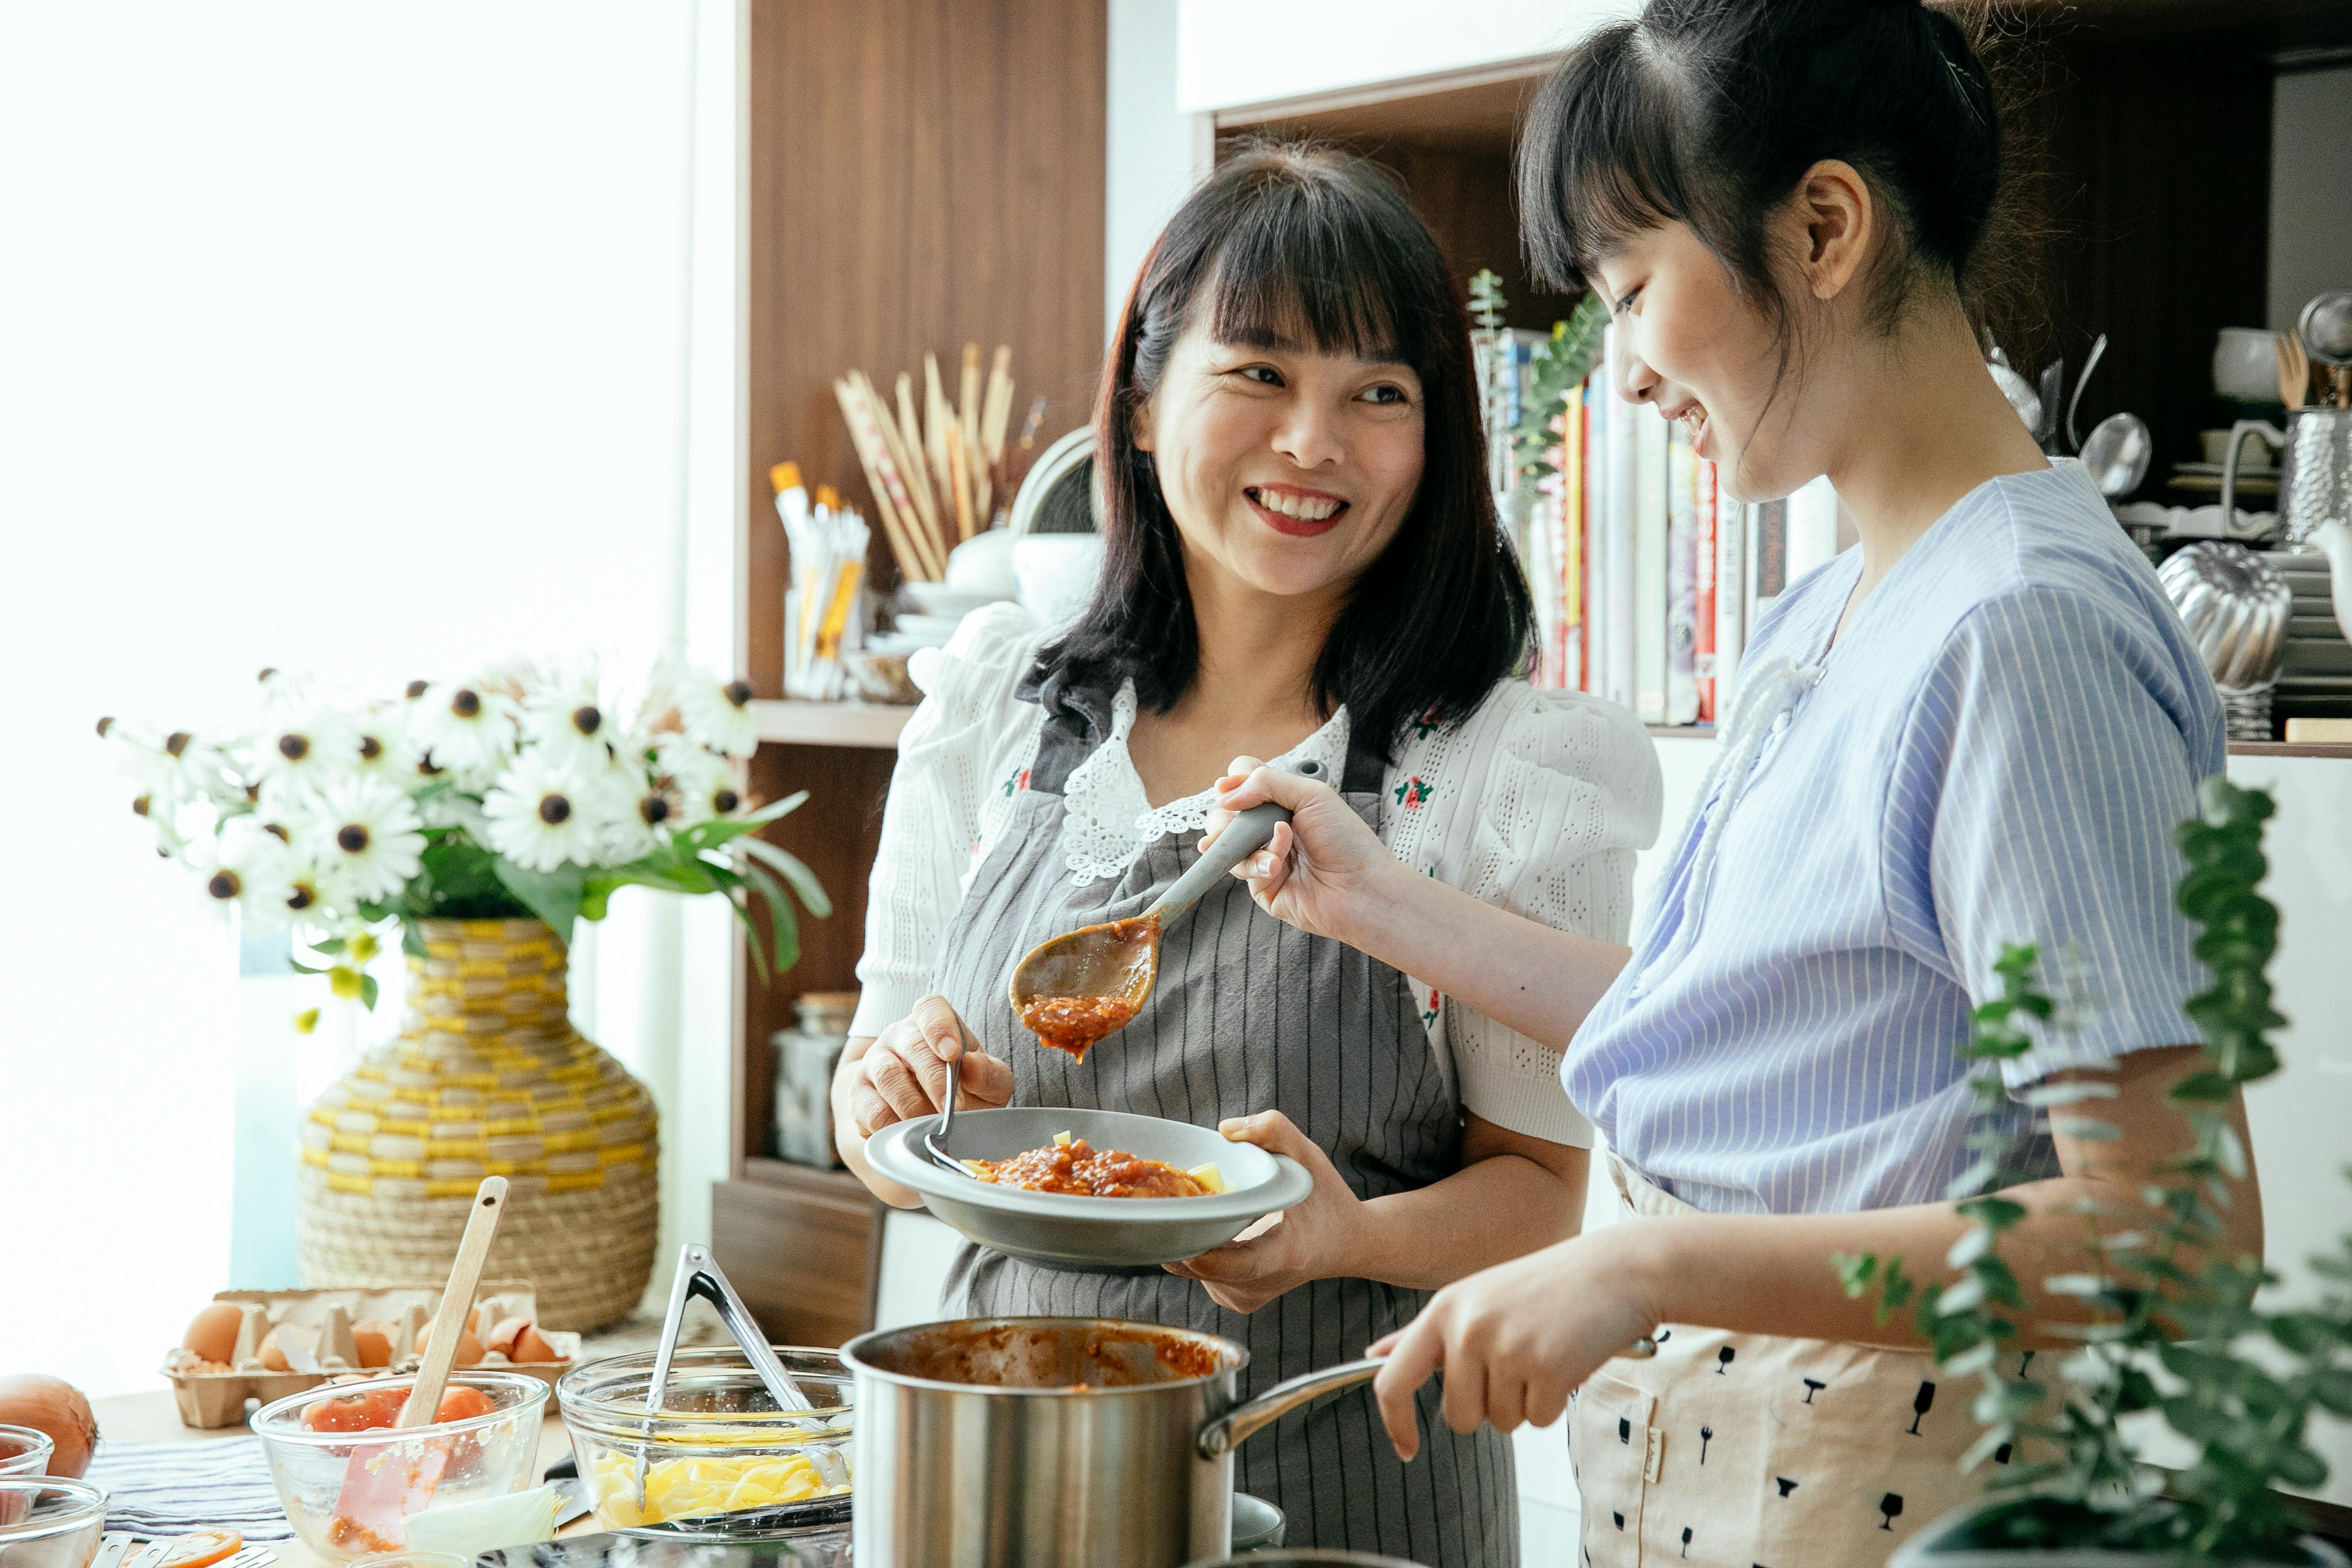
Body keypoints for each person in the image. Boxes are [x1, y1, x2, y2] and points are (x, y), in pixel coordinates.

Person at [1199, 6, 2256, 1565]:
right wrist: (1375, 903)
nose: (1621, 372)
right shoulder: (1837, 604)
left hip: (1902, 1469)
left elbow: (2174, 1240)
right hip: (1747, 1454)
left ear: (1823, 229)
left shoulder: (2018, 630)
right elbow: (1751, 1038)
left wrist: (1646, 1266)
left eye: (1632, 291)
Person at [828, 145, 1659, 1564]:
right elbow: (880, 1124)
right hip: (1005, 1466)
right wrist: (902, 1102)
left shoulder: (1502, 772)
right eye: (1260, 374)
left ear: (1434, 439)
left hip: (1350, 1480)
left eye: (1376, 394)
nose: (1312, 444)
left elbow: (1541, 1192)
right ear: (1144, 407)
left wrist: (1345, 1239)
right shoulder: (997, 707)